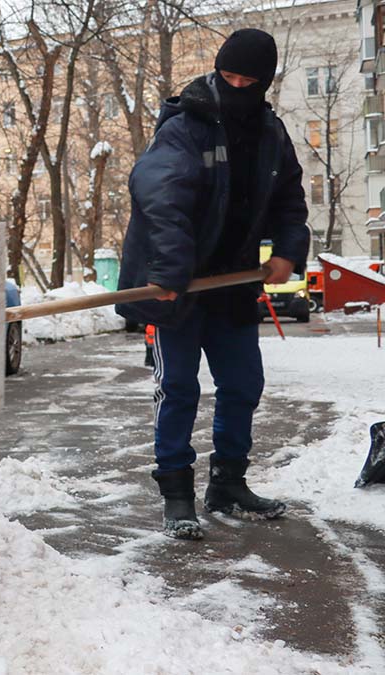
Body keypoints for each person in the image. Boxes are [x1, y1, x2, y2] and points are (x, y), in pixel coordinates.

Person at [117, 29, 309, 540]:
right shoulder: (187, 123)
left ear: (265, 83)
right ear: (216, 70)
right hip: (175, 284)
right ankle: (176, 495)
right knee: (178, 387)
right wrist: (172, 272)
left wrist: (289, 250)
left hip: (234, 282)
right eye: (230, 75)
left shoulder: (271, 134)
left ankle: (228, 484)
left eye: (250, 80)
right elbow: (162, 198)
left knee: (243, 385)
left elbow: (290, 198)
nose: (238, 85)